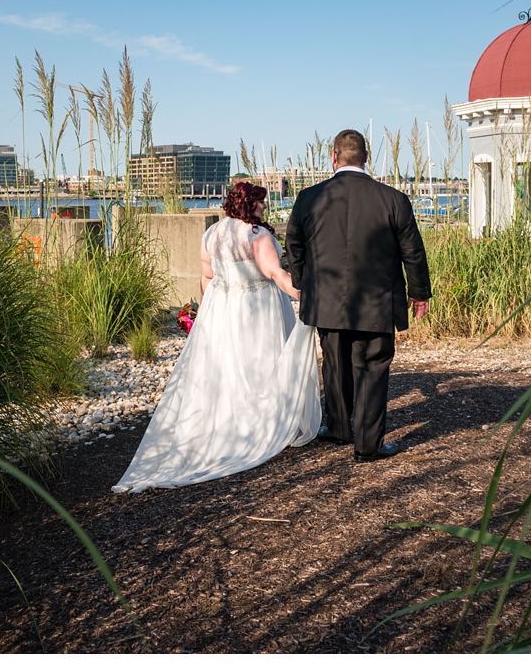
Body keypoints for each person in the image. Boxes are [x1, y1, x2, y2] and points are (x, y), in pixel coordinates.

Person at [112, 183, 321, 492]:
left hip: (223, 308)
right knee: (260, 363)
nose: (264, 207)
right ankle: (262, 423)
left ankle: (230, 422)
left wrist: (207, 313)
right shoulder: (257, 236)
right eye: (260, 203)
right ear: (249, 204)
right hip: (258, 309)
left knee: (228, 366)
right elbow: (275, 274)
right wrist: (304, 295)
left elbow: (207, 277)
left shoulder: (212, 235)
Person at [284, 129, 431, 463]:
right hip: (377, 303)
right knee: (372, 367)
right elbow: (413, 251)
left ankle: (338, 428)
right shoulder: (393, 199)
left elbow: (293, 244)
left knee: (334, 364)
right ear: (366, 157)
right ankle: (367, 444)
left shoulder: (310, 198)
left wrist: (305, 283)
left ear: (334, 157)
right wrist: (419, 292)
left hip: (326, 300)